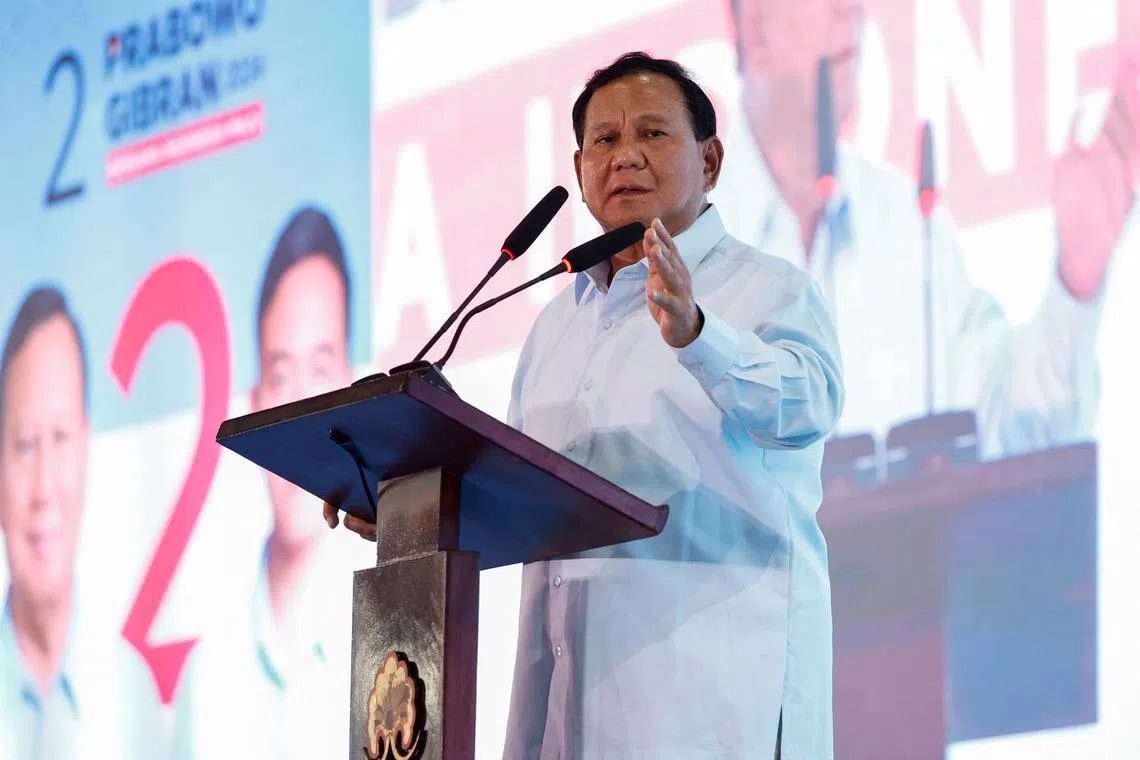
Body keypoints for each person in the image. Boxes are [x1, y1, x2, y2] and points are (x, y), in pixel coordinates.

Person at [327, 52, 845, 759]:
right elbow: (520, 502)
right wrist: (402, 506)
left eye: (653, 134)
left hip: (716, 708)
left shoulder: (769, 289)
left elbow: (807, 405)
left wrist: (698, 335)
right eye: (604, 141)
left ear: (712, 160)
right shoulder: (555, 327)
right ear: (579, 169)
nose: (625, 156)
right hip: (570, 717)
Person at [715, 0, 1137, 458]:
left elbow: (1019, 438)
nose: (851, 8)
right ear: (755, 25)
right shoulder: (679, 246)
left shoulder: (907, 221)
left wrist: (1076, 277)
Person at [172, 207, 367, 760]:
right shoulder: (207, 669)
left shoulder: (391, 621)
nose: (301, 405)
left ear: (354, 387)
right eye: (281, 376)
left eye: (321, 368)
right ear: (253, 404)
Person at [0, 286, 162, 759]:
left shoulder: (136, 703)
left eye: (61, 438)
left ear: (88, 447)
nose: (43, 489)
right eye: (25, 443)